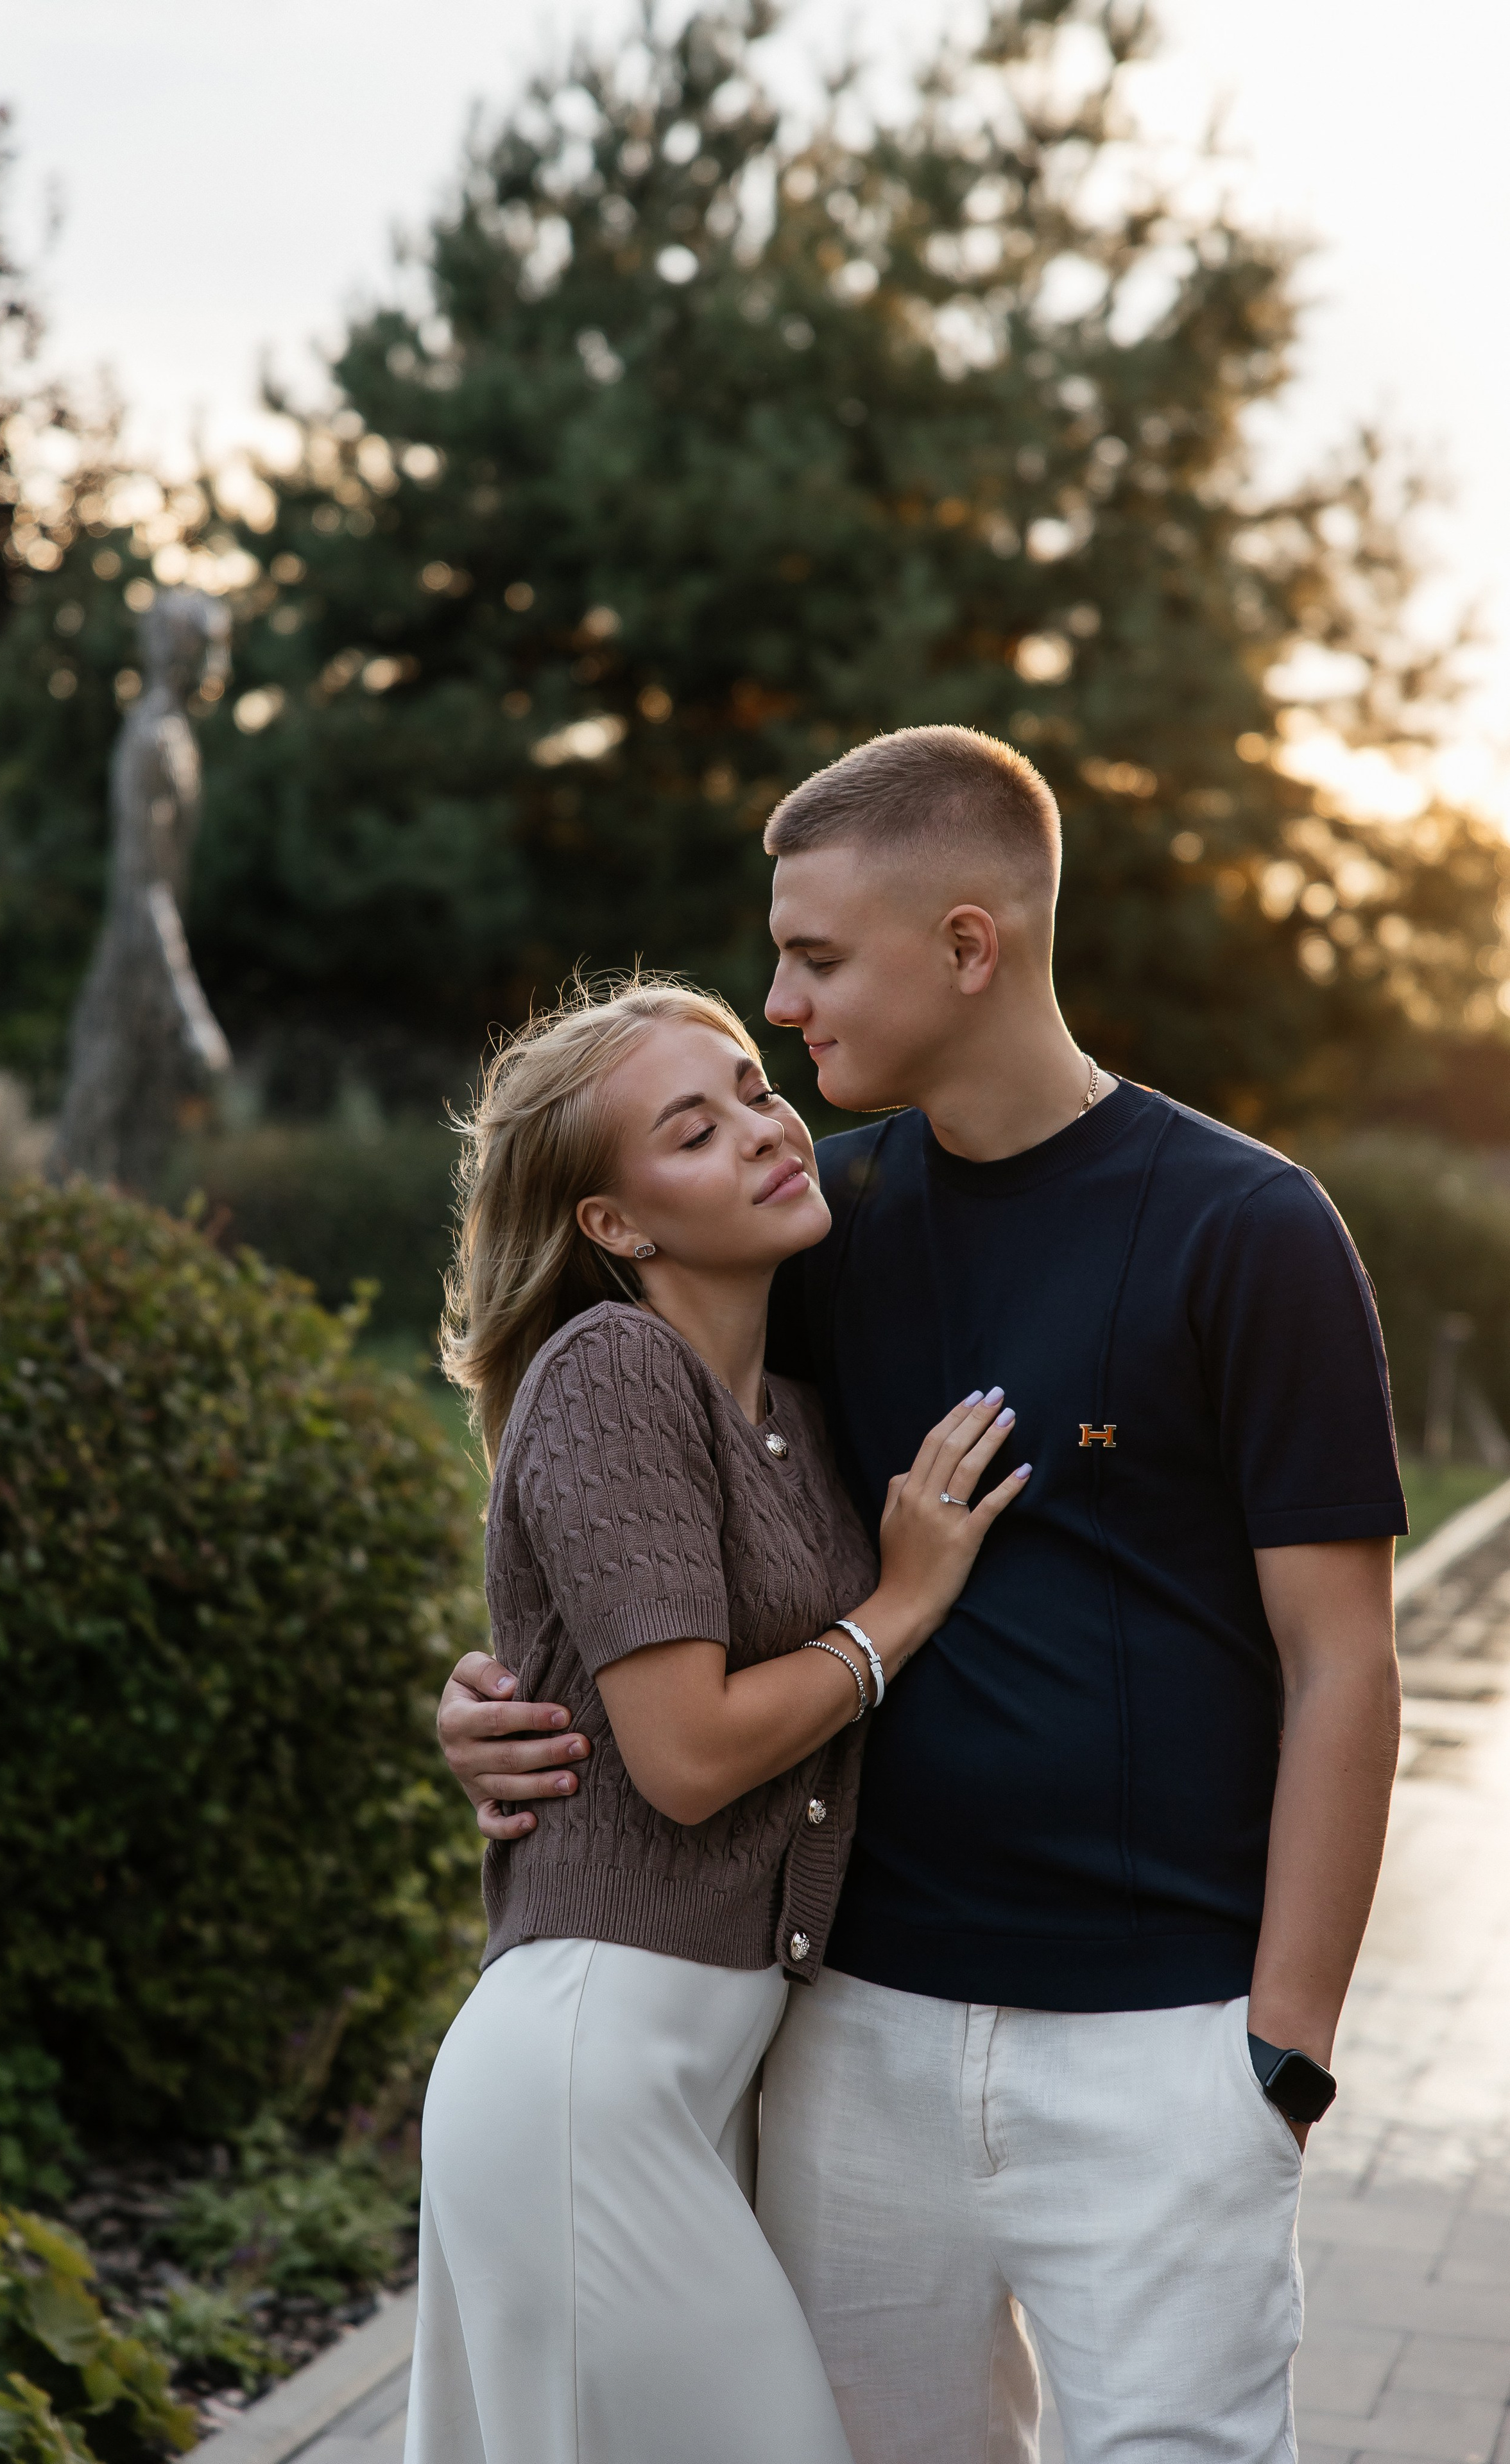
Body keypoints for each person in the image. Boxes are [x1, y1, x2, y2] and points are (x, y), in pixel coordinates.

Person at [436, 727, 1407, 2463]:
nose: (782, 1004)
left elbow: (1343, 1661)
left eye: (815, 956)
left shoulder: (1249, 1229)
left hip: (1165, 2051)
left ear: (969, 947)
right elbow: (649, 1510)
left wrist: (1287, 2052)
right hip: (850, 2042)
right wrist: (497, 1695)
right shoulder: (821, 1231)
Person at [407, 976, 1029, 2464]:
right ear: (614, 1226)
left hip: (695, 2084)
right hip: (587, 2081)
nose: (765, 1131)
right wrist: (897, 1606)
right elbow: (682, 1760)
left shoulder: (793, 1418)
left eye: (752, 1089)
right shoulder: (613, 1367)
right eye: (693, 1133)